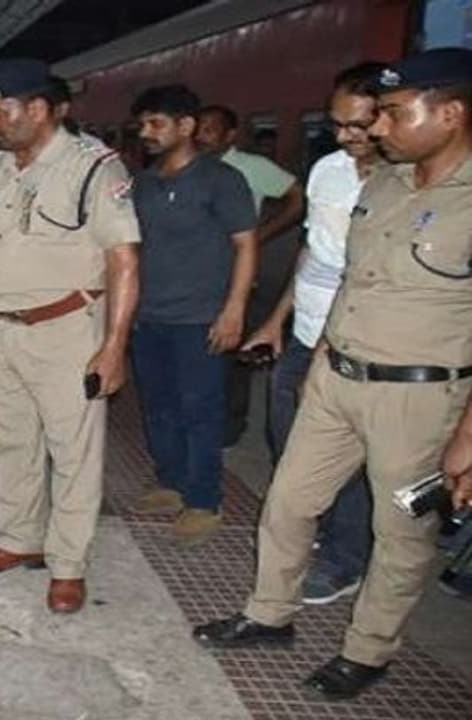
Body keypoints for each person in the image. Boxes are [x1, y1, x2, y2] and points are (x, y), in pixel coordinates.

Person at [194, 48, 472, 701]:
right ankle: (269, 616)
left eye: (396, 115)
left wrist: (466, 440)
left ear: (452, 114)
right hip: (334, 379)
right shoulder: (382, 185)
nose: (377, 129)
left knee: (402, 528)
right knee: (288, 503)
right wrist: (316, 361)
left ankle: (369, 651)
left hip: (421, 403)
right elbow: (349, 279)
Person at [0, 59, 140, 614]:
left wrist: (114, 345)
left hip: (66, 331)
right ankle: (18, 539)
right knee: (9, 443)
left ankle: (68, 566)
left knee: (73, 452)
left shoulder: (92, 168)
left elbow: (124, 261)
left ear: (36, 109)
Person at [241, 62, 389, 606]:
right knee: (287, 441)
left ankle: (346, 558)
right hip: (305, 331)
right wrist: (276, 320)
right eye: (337, 124)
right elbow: (313, 253)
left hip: (359, 340)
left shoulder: (405, 181)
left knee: (345, 455)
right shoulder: (328, 170)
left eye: (358, 124)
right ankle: (314, 530)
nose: (346, 137)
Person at [128, 85, 258, 546]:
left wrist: (234, 309)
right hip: (149, 315)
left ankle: (204, 500)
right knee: (158, 406)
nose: (145, 132)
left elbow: (245, 244)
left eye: (156, 124)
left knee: (199, 410)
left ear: (185, 126)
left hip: (201, 316)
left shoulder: (221, 180)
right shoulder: (143, 181)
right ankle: (172, 483)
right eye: (142, 124)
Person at [196, 104, 305, 446]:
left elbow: (296, 198)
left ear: (230, 135)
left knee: (231, 354)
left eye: (210, 129)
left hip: (234, 272)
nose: (201, 135)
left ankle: (230, 427)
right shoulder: (190, 166)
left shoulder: (251, 168)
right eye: (198, 128)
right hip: (196, 275)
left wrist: (262, 234)